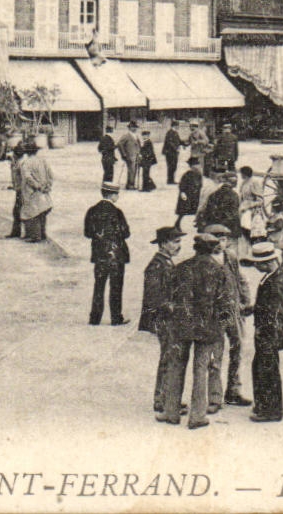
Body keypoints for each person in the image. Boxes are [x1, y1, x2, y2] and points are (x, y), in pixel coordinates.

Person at [159, 231, 233, 429]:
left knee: (176, 366)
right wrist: (225, 326)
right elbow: (225, 302)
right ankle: (197, 415)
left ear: (195, 248)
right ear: (213, 249)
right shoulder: (218, 271)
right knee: (201, 370)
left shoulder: (181, 268)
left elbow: (169, 296)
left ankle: (171, 412)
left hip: (181, 325)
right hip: (207, 327)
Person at [243, 241, 283, 422]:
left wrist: (264, 331)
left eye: (257, 263)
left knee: (266, 370)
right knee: (263, 368)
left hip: (268, 334)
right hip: (268, 333)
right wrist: (253, 308)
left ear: (266, 262)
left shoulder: (276, 281)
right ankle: (268, 405)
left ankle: (270, 410)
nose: (256, 267)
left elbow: (277, 311)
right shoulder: (274, 276)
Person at [203, 224, 251, 408]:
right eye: (216, 239)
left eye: (223, 239)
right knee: (216, 353)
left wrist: (246, 300)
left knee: (238, 348)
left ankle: (234, 390)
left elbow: (240, 279)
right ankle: (214, 397)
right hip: (215, 314)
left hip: (233, 310)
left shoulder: (230, 257)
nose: (220, 243)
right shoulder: (204, 260)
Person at [140, 225, 185, 420]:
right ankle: (162, 399)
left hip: (167, 318)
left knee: (170, 356)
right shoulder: (156, 265)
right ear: (163, 244)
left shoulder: (165, 262)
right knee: (168, 357)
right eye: (175, 242)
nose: (178, 246)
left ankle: (167, 397)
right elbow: (153, 297)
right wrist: (171, 307)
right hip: (163, 319)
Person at [84, 183, 131, 325]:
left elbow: (87, 233)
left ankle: (95, 318)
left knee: (99, 286)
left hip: (99, 255)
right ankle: (116, 318)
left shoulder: (92, 211)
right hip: (117, 255)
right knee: (116, 287)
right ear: (112, 195)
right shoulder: (117, 212)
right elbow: (126, 233)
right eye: (117, 194)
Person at [19, 144, 54, 241]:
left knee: (33, 213)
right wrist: (48, 185)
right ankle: (42, 233)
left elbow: (27, 177)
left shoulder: (26, 163)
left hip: (32, 191)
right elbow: (50, 174)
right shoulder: (43, 161)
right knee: (42, 212)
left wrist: (37, 186)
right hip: (44, 190)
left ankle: (35, 235)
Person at [175, 154, 203, 232]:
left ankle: (199, 225)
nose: (197, 167)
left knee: (199, 211)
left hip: (196, 195)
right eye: (195, 165)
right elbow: (182, 185)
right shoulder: (187, 174)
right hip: (188, 195)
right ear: (191, 166)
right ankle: (177, 224)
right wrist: (182, 193)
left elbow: (201, 184)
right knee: (183, 211)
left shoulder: (199, 174)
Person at [116, 122, 140, 190]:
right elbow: (119, 144)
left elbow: (138, 145)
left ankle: (131, 184)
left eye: (135, 127)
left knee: (134, 170)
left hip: (136, 156)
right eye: (133, 127)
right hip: (129, 156)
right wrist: (124, 154)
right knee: (131, 170)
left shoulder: (136, 135)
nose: (134, 129)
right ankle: (130, 185)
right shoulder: (126, 136)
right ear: (129, 128)